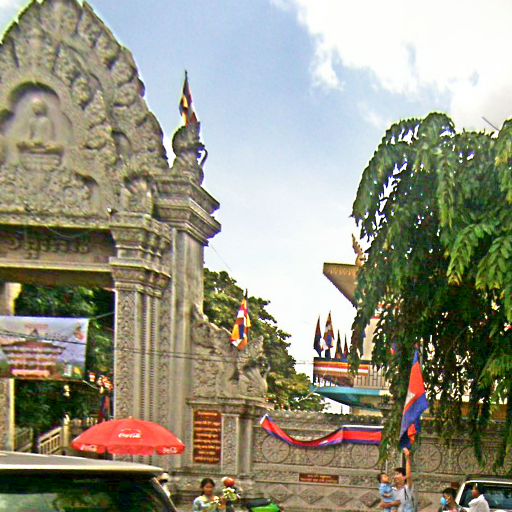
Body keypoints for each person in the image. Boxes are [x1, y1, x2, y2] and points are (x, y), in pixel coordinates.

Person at [380, 448, 416, 512]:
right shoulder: (392, 489)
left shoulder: (407, 487)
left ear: (404, 477)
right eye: (395, 474)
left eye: (397, 474)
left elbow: (408, 475)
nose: (395, 476)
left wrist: (407, 459)